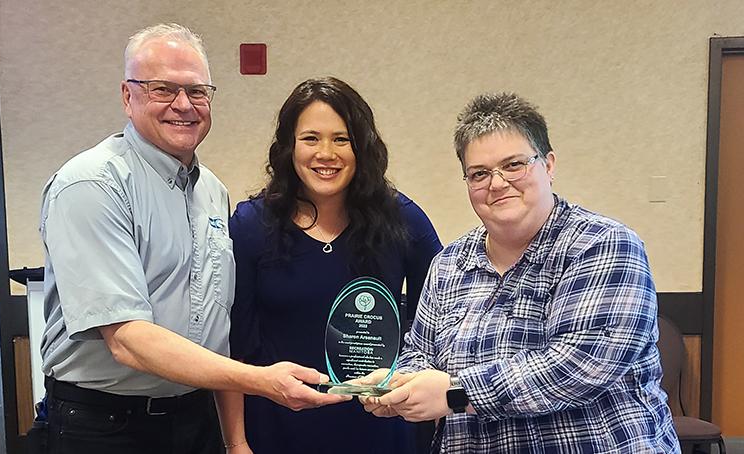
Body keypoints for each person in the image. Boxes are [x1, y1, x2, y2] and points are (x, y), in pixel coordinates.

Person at [37, 24, 345, 454]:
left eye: (197, 91)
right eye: (162, 89)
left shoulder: (212, 192)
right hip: (105, 426)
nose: (183, 105)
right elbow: (126, 338)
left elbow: (219, 324)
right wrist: (260, 380)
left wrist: (235, 440)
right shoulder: (92, 184)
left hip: (195, 419)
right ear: (128, 96)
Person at [362, 93, 679, 452]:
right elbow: (420, 352)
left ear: (549, 165)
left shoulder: (604, 244)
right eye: (479, 174)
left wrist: (455, 393)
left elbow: (580, 365)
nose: (497, 183)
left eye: (513, 165)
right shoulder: (449, 264)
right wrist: (400, 384)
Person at [226, 77, 443, 453]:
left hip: (382, 431)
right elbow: (234, 347)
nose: (326, 153)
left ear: (362, 147)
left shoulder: (403, 220)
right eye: (311, 138)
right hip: (277, 430)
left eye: (341, 139)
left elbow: (444, 325)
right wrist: (236, 442)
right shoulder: (250, 225)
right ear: (289, 146)